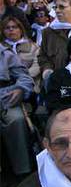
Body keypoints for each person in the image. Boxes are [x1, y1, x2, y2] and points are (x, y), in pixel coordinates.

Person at [0, 43, 34, 179]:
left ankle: (23, 172)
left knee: (17, 120)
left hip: (6, 98)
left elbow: (25, 77)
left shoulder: (6, 54)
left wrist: (20, 89)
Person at [0, 17, 41, 92]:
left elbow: (37, 66)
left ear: (21, 30)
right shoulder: (1, 49)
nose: (11, 30)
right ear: (3, 31)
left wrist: (21, 79)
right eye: (7, 28)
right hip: (4, 88)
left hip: (31, 88)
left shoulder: (34, 47)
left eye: (14, 27)